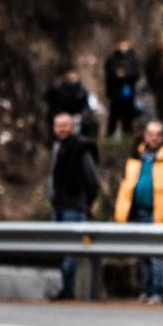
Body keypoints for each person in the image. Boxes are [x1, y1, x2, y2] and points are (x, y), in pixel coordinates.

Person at [114, 120, 163, 303]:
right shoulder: (136, 157)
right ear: (145, 136)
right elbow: (126, 185)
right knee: (143, 254)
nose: (153, 138)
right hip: (138, 212)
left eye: (157, 134)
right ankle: (146, 289)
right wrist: (121, 211)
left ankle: (160, 291)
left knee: (158, 254)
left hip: (160, 214)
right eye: (150, 134)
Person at [46, 113, 100, 300]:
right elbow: (52, 176)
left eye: (65, 125)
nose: (61, 129)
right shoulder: (56, 147)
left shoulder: (81, 147)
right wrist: (51, 196)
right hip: (58, 205)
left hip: (75, 206)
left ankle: (67, 290)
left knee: (71, 250)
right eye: (58, 125)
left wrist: (87, 203)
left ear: (72, 127)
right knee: (60, 250)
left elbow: (93, 180)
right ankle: (65, 289)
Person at [104, 41, 141, 137]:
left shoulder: (132, 58)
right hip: (115, 92)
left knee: (127, 115)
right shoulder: (113, 58)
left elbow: (136, 74)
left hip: (127, 90)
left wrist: (125, 75)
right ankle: (110, 135)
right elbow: (109, 73)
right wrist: (117, 75)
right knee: (113, 115)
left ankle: (127, 135)